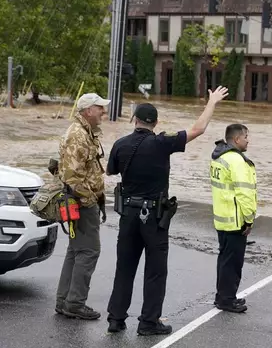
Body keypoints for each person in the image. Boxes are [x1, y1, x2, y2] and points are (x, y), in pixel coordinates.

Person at [105, 86, 229, 336]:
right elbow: (198, 129)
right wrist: (212, 101)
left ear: (134, 120)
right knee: (155, 270)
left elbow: (109, 172)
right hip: (154, 218)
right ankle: (148, 322)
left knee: (125, 268)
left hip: (128, 215)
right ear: (156, 122)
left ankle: (116, 319)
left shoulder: (120, 144)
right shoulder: (163, 142)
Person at [55, 92, 111, 320]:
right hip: (81, 202)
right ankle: (75, 303)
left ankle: (65, 301)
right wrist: (91, 202)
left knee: (76, 251)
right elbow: (72, 176)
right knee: (88, 252)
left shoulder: (84, 132)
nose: (103, 112)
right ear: (88, 111)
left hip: (77, 201)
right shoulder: (78, 135)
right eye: (100, 108)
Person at [210, 124, 256, 313]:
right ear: (236, 139)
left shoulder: (219, 157)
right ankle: (227, 299)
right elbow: (244, 192)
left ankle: (222, 295)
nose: (248, 140)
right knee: (233, 263)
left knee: (225, 260)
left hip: (222, 218)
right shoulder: (236, 161)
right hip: (236, 220)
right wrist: (249, 219)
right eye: (246, 136)